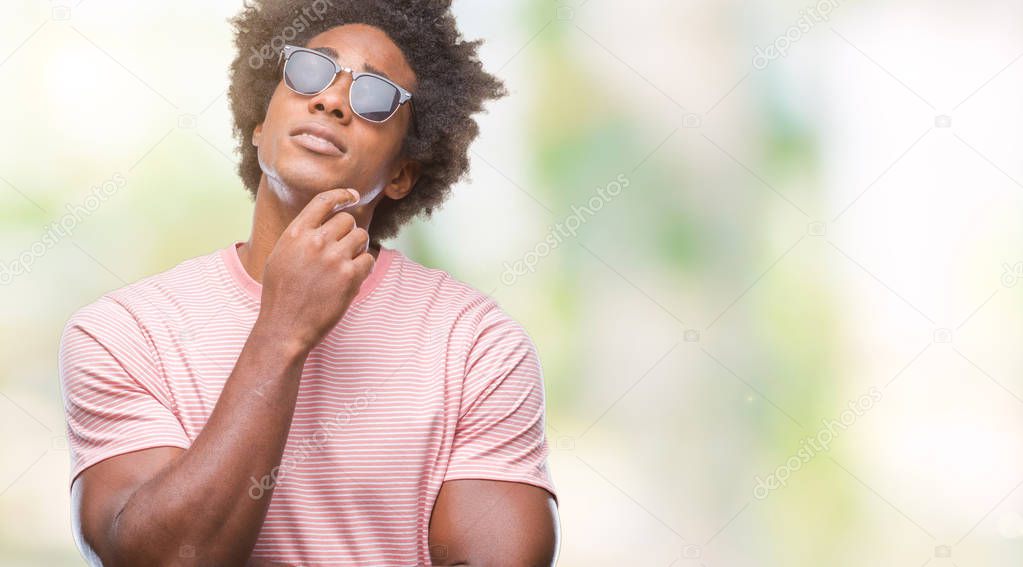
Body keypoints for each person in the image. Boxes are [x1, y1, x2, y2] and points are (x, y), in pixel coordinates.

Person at [57, 2, 560, 565]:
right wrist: (282, 329)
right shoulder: (122, 333)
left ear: (401, 174)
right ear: (259, 124)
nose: (331, 100)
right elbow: (166, 558)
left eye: (373, 97)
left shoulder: (477, 345)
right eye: (308, 72)